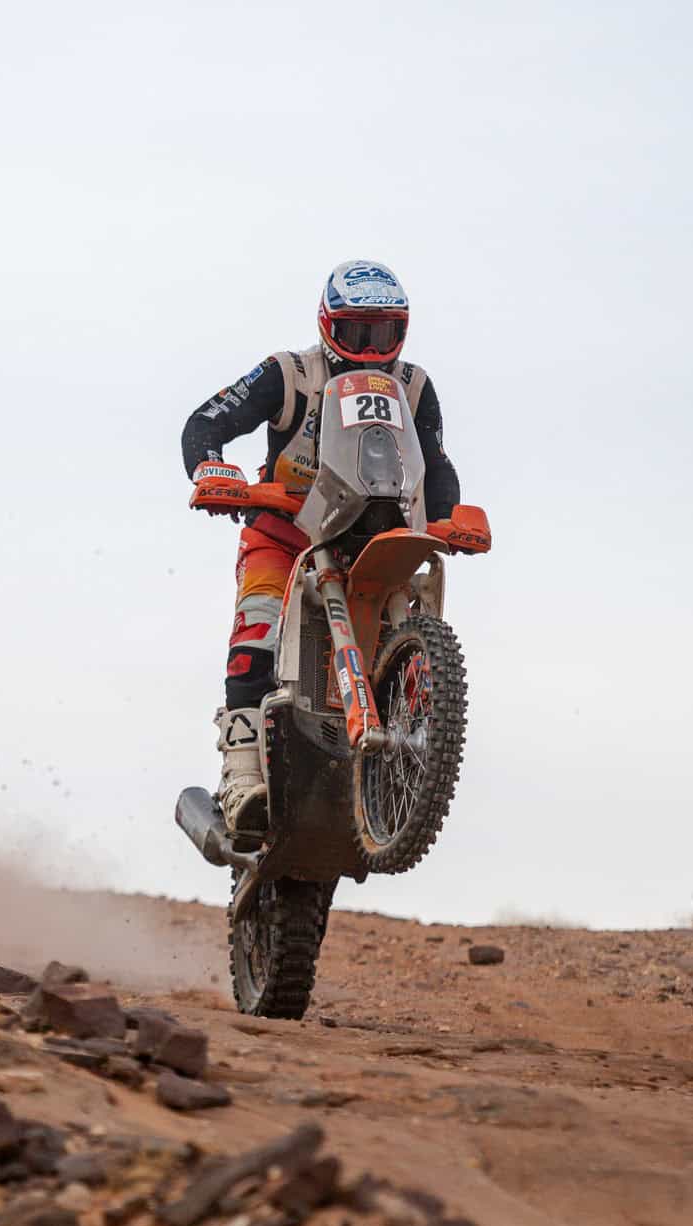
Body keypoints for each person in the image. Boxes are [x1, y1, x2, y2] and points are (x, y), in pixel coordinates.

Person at [180, 259, 461, 835]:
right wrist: (211, 465)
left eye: (381, 333)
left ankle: (415, 748)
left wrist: (452, 517)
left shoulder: (413, 386)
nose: (369, 346)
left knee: (414, 619)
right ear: (328, 325)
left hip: (374, 538)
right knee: (254, 637)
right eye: (356, 332)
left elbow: (434, 461)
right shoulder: (291, 374)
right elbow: (205, 421)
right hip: (286, 532)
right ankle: (241, 782)